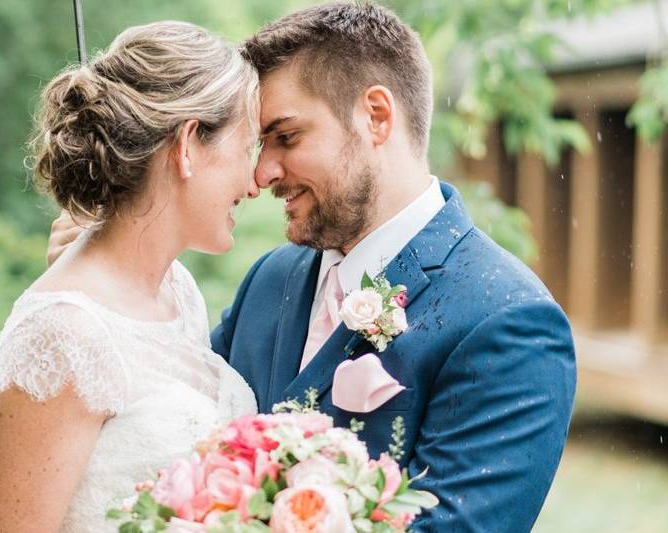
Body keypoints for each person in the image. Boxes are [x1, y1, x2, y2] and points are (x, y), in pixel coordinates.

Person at [47, 3, 577, 531]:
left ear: (376, 116)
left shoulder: (511, 323)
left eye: (287, 137)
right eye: (258, 143)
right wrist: (108, 290)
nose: (262, 171)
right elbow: (169, 437)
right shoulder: (270, 279)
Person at [0, 21, 261, 532]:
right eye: (247, 148)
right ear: (189, 144)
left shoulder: (178, 291)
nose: (255, 182)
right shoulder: (61, 333)